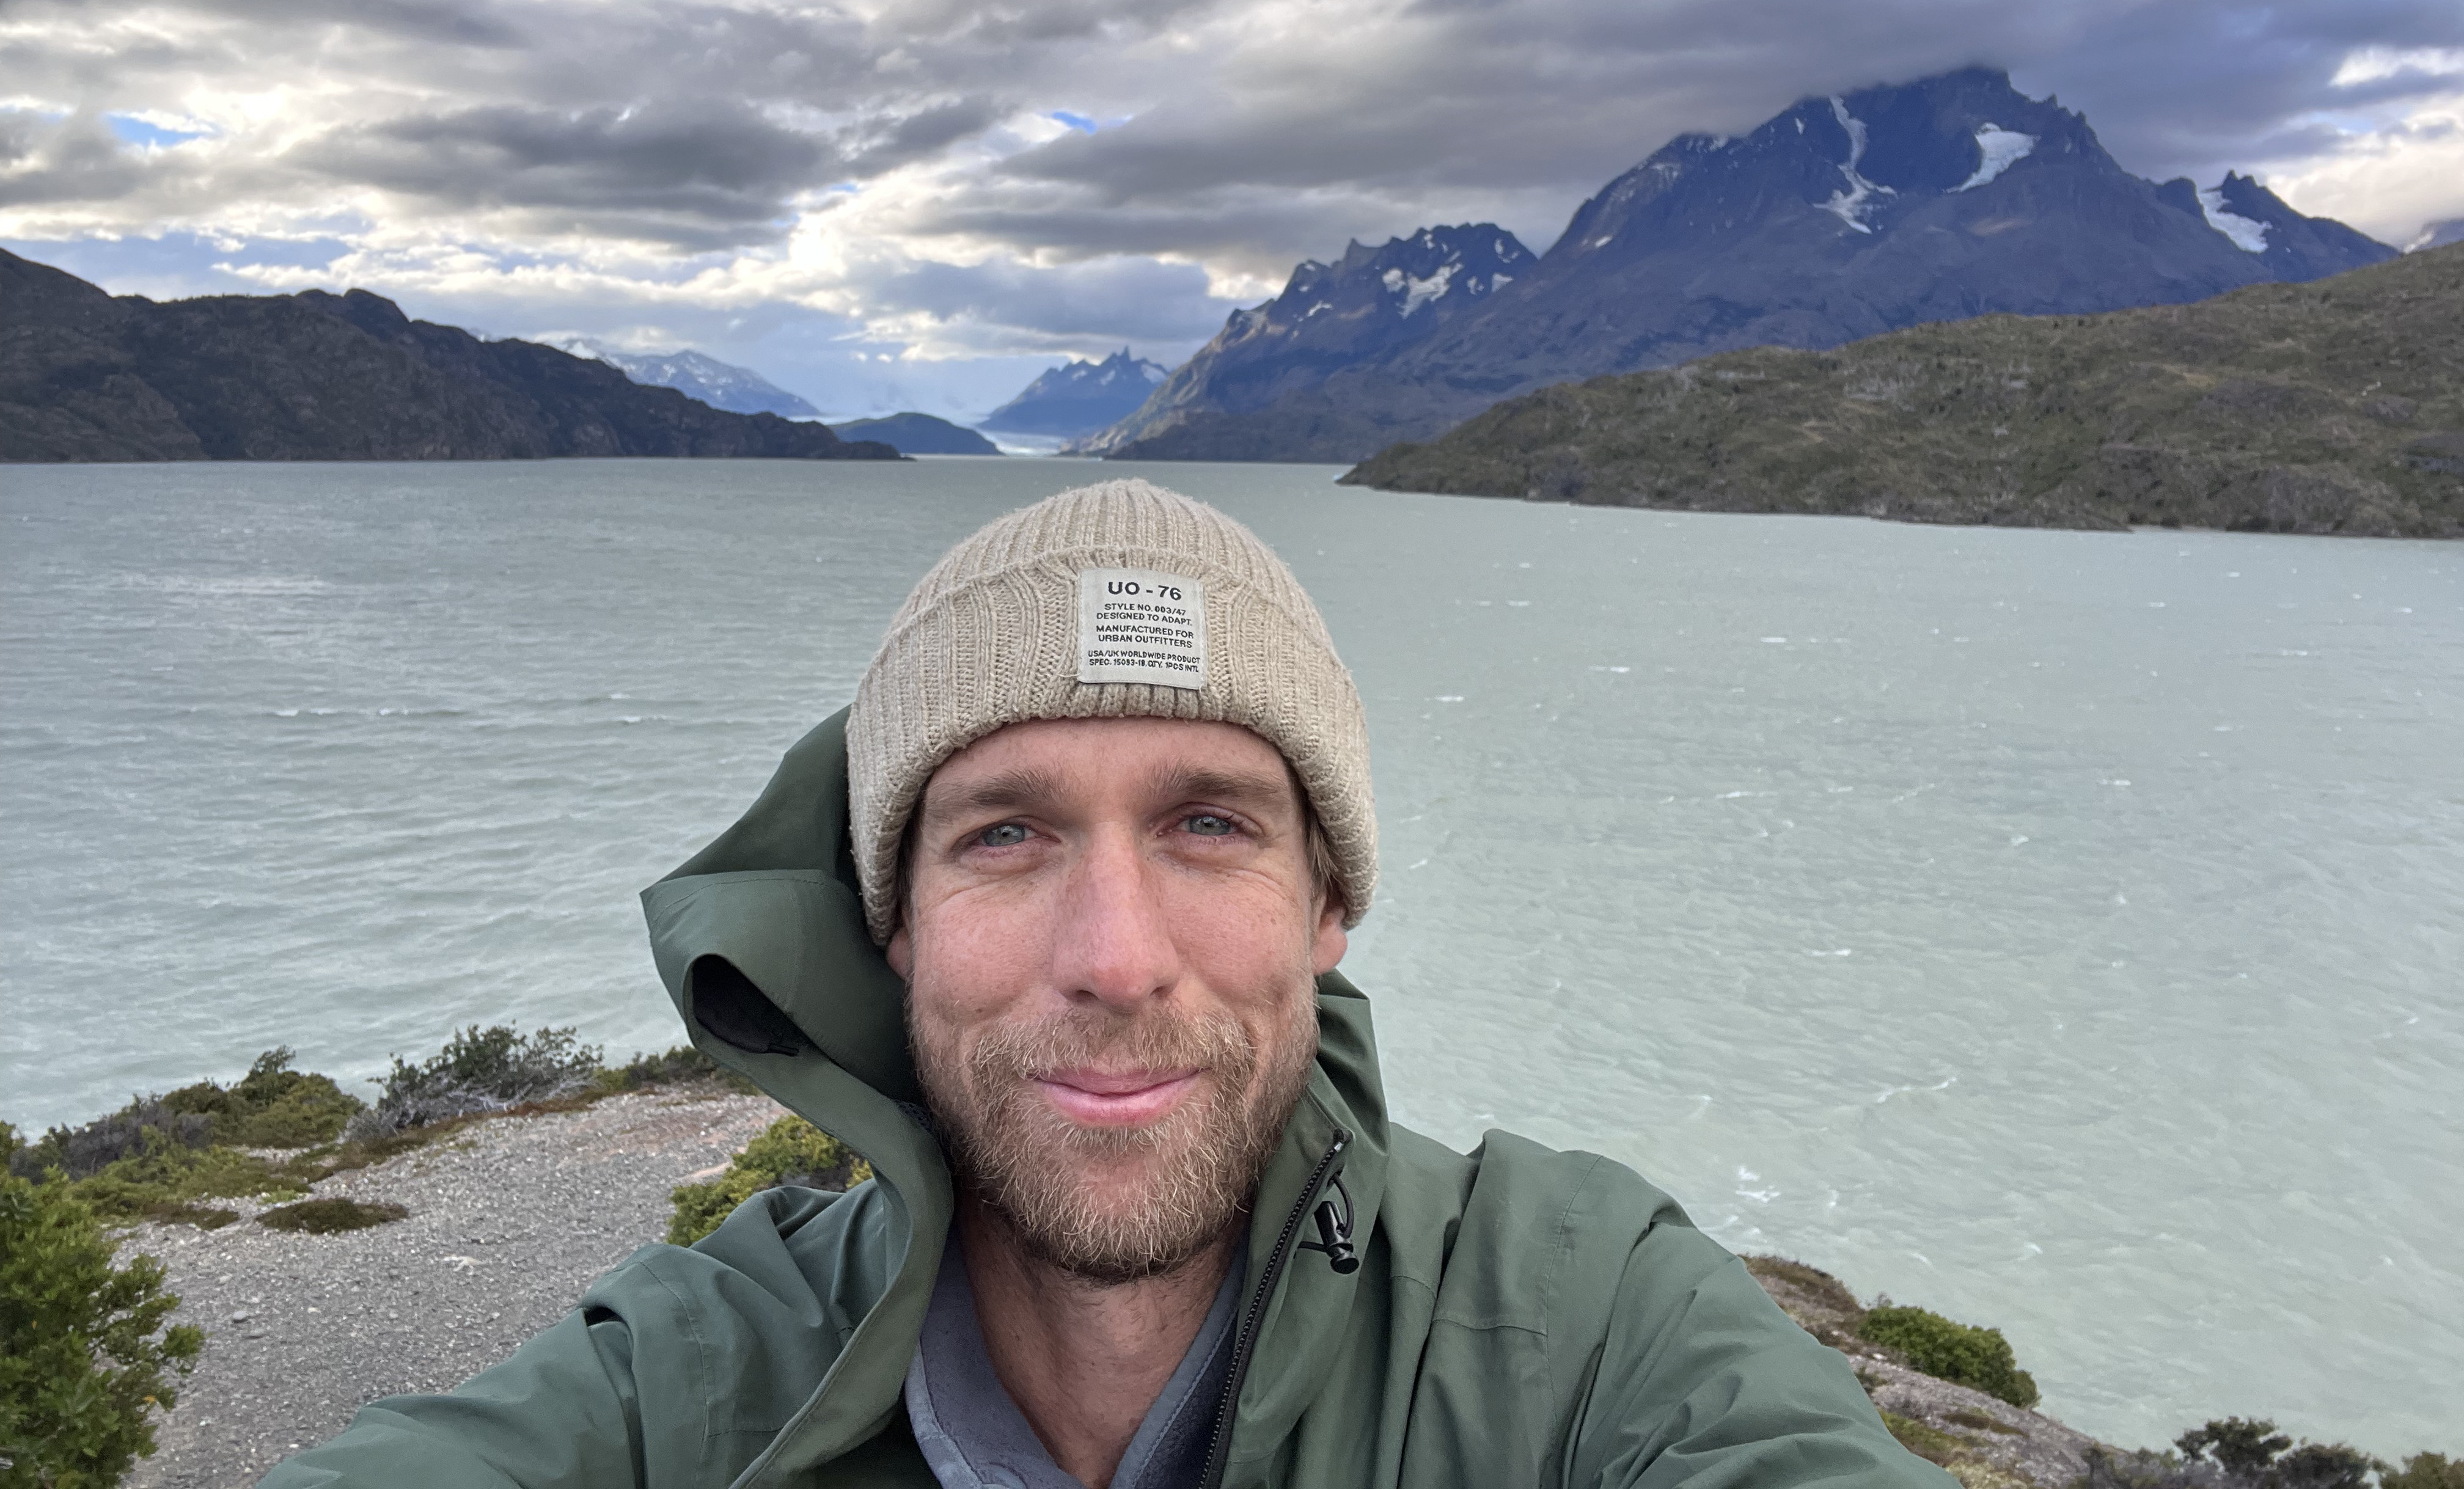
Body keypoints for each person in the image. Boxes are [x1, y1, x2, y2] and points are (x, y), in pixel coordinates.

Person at [266, 478, 1947, 1489]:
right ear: (893, 920)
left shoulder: (1585, 1321)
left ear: (1330, 903)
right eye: (1005, 836)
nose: (1115, 957)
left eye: (1211, 825)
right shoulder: (710, 1366)